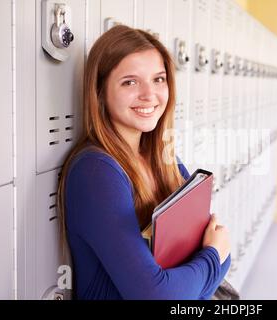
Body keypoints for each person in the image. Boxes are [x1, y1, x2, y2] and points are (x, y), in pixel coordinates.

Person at [57, 25, 230, 300]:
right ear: (100, 92)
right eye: (130, 82)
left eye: (159, 79)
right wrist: (210, 259)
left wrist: (197, 274)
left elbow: (220, 248)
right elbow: (159, 294)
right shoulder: (96, 172)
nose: (149, 95)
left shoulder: (163, 156)